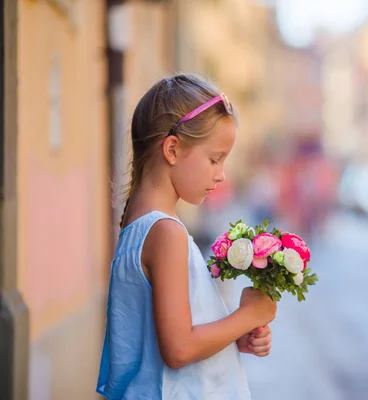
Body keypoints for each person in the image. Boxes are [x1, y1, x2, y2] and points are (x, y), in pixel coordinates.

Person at [97, 73, 277, 399]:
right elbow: (178, 349)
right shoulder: (165, 233)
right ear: (172, 149)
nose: (221, 175)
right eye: (214, 159)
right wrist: (248, 315)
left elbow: (164, 337)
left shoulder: (141, 226)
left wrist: (235, 337)